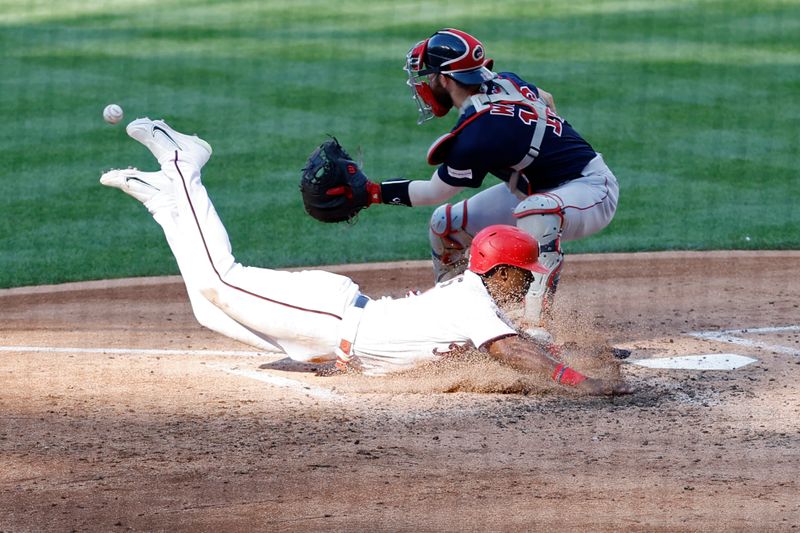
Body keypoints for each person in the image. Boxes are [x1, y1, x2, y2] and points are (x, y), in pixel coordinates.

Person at [100, 117, 632, 395]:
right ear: (500, 271)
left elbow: (522, 343)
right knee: (222, 279)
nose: (528, 283)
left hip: (327, 342)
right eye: (524, 273)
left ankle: (167, 203)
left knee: (206, 307)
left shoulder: (482, 306)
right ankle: (183, 160)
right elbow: (513, 352)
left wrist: (589, 352)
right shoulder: (475, 301)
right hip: (330, 317)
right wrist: (576, 382)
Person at [348, 28, 619, 338]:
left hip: (591, 188)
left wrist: (373, 193)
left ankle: (537, 331)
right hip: (535, 191)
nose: (424, 84)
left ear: (446, 79)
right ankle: (457, 322)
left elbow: (435, 191)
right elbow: (546, 97)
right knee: (445, 225)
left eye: (429, 75)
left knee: (538, 209)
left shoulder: (480, 132)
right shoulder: (506, 81)